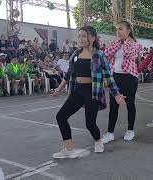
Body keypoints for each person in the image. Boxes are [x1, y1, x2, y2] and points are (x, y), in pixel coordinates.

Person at [52, 26, 126, 158]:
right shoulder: (75, 54)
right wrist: (59, 88)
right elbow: (69, 74)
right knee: (61, 116)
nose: (80, 38)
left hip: (93, 92)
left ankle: (98, 141)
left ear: (92, 38)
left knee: (90, 123)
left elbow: (108, 76)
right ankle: (69, 149)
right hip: (77, 91)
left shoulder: (99, 55)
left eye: (84, 36)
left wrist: (117, 94)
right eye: (79, 35)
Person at [101, 21, 142, 144]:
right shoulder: (117, 43)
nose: (118, 32)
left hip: (129, 77)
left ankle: (130, 130)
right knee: (113, 105)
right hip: (116, 77)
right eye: (117, 30)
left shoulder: (135, 45)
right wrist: (117, 43)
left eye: (121, 29)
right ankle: (110, 133)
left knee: (130, 104)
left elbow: (128, 53)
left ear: (128, 30)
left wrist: (121, 42)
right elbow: (106, 54)